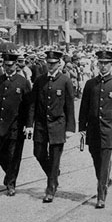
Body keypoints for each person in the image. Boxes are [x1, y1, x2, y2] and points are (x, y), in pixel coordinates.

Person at [26, 50, 75, 203]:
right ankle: (53, 174)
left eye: (54, 63)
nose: (51, 66)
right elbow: (33, 104)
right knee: (38, 153)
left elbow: (69, 106)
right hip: (41, 125)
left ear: (59, 64)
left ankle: (51, 188)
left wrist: (70, 128)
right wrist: (29, 124)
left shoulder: (65, 81)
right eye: (48, 63)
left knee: (55, 158)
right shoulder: (40, 80)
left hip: (57, 125)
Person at [79, 50, 112, 209]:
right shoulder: (90, 83)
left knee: (104, 159)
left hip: (108, 129)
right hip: (92, 129)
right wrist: (82, 127)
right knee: (96, 158)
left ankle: (101, 195)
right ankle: (105, 178)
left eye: (106, 63)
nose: (103, 66)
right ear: (97, 64)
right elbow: (84, 107)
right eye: (101, 63)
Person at [0, 53, 32, 196]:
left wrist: (29, 125)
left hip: (15, 126)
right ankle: (10, 173)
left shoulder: (23, 82)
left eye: (11, 65)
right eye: (6, 65)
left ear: (16, 65)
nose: (8, 68)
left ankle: (11, 183)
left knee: (13, 155)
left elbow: (29, 105)